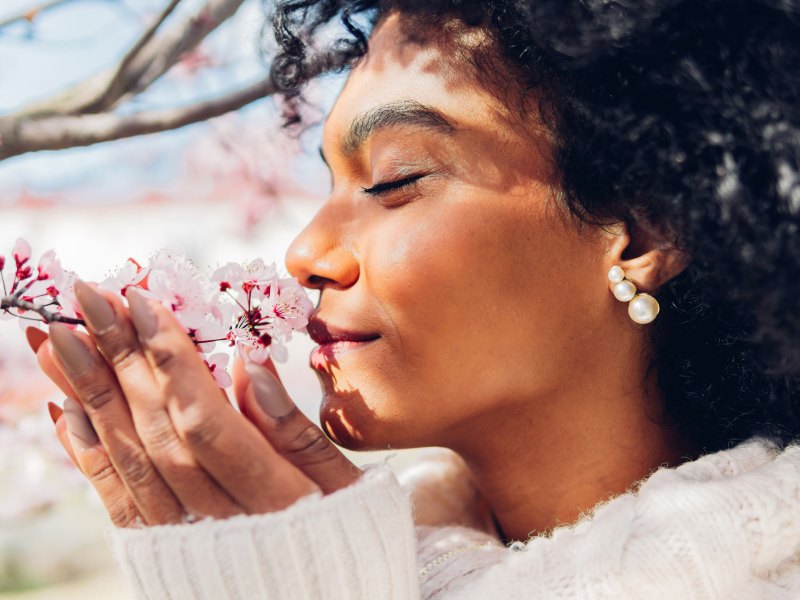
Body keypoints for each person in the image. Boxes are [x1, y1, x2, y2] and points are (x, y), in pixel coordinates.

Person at [28, 1, 800, 598]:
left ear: (643, 229)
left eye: (395, 179)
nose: (304, 253)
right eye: (327, 184)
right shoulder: (355, 557)